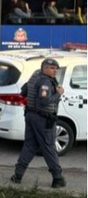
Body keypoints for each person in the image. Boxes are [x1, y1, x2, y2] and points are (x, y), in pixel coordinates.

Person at [10, 58, 66, 188]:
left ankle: (18, 175)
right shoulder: (45, 82)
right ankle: (57, 178)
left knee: (29, 146)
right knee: (49, 147)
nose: (55, 71)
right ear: (44, 68)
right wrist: (58, 94)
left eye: (56, 68)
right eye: (52, 68)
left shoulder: (34, 77)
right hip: (43, 117)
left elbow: (23, 93)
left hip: (30, 115)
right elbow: (44, 101)